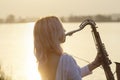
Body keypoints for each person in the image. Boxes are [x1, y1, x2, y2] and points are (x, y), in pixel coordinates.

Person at [33, 16, 102, 80]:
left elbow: (71, 74)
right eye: (61, 28)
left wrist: (94, 64)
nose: (65, 30)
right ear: (54, 33)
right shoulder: (66, 60)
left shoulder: (43, 61)